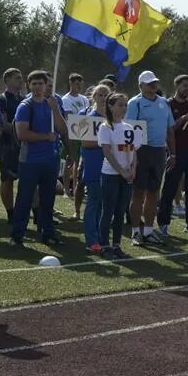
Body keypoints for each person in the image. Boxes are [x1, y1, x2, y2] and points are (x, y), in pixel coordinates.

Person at [10, 70, 67, 247]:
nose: (37, 87)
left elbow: (62, 128)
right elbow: (22, 134)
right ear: (29, 86)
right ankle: (17, 235)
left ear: (46, 85)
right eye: (33, 84)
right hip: (30, 161)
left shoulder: (52, 103)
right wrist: (45, 137)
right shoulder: (25, 106)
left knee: (48, 199)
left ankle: (48, 233)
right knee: (25, 198)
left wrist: (55, 109)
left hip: (51, 159)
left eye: (40, 84)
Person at [125, 70, 175, 244]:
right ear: (140, 86)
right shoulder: (134, 103)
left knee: (154, 192)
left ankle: (148, 231)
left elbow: (169, 130)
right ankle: (135, 232)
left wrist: (173, 153)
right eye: (149, 83)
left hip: (159, 151)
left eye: (154, 82)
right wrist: (131, 156)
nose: (153, 85)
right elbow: (128, 130)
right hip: (141, 151)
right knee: (138, 192)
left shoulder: (163, 103)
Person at [156, 74, 188, 236]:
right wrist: (186, 117)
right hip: (174, 150)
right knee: (170, 187)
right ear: (176, 86)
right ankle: (163, 223)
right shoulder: (167, 105)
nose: (187, 89)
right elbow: (170, 128)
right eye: (184, 85)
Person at [99, 92, 142, 260]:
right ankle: (104, 245)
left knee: (120, 212)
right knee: (108, 210)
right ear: (110, 106)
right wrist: (121, 171)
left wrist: (132, 170)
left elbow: (133, 151)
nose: (123, 108)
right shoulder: (105, 127)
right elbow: (107, 152)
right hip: (111, 174)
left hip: (126, 176)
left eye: (125, 105)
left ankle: (116, 245)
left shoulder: (129, 127)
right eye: (120, 105)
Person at [79, 84, 110, 252]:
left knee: (101, 204)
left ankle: (99, 236)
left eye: (106, 94)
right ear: (94, 97)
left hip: (109, 167)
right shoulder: (89, 117)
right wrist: (106, 142)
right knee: (93, 202)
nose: (103, 98)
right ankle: (92, 239)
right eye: (100, 94)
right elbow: (85, 143)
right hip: (93, 165)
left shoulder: (113, 119)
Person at [0, 68, 24, 220]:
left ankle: (32, 213)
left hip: (23, 145)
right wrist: (21, 130)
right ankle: (11, 213)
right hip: (7, 145)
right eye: (17, 78)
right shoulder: (1, 100)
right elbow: (3, 123)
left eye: (21, 78)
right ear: (7, 80)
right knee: (8, 179)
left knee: (26, 179)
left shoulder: (24, 99)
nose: (21, 81)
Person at [61, 72, 90, 203]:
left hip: (84, 133)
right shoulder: (66, 99)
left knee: (79, 162)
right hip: (71, 134)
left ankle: (77, 188)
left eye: (80, 84)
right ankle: (66, 189)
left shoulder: (85, 99)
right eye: (76, 83)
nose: (79, 86)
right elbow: (68, 117)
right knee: (69, 161)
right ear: (70, 83)